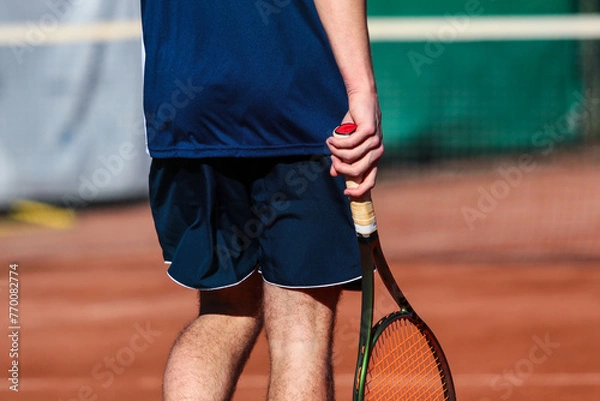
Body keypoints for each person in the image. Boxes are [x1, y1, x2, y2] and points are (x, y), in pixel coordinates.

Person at [140, 0, 383, 400]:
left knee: (224, 310)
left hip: (185, 107)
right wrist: (361, 89)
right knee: (300, 328)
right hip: (298, 104)